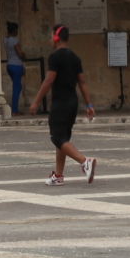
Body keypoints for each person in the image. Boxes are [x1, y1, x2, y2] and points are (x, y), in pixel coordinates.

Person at [30, 25, 98, 185]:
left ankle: (84, 161)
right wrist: (89, 105)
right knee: (63, 138)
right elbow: (82, 82)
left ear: (56, 37)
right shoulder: (75, 57)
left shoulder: (55, 57)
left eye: (51, 35)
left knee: (56, 137)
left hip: (60, 103)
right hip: (72, 103)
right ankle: (58, 176)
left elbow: (49, 80)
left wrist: (36, 102)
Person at [4, 23, 26, 116]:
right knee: (17, 88)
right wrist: (24, 55)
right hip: (16, 65)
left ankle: (14, 109)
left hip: (9, 64)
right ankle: (14, 110)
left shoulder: (5, 40)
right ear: (14, 31)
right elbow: (20, 53)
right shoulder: (14, 40)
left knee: (17, 86)